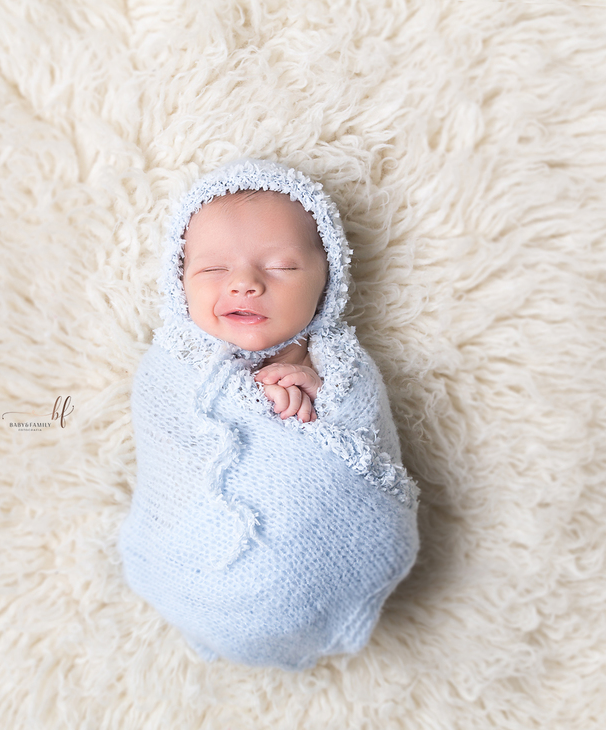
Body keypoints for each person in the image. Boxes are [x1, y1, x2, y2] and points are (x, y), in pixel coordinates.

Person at [118, 158, 420, 670]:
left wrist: (319, 401)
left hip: (316, 562)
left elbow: (365, 442)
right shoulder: (171, 366)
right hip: (187, 562)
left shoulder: (340, 365)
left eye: (281, 267)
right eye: (213, 269)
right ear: (179, 281)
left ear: (327, 281)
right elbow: (168, 454)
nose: (244, 283)